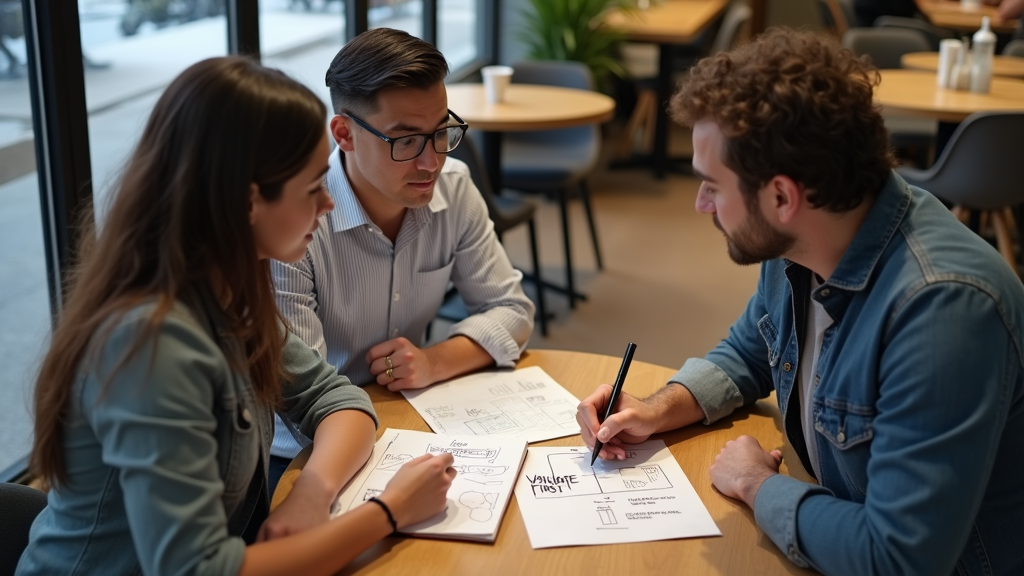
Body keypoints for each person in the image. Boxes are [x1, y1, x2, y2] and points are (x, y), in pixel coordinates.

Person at [576, 29, 1024, 576]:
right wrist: (655, 408)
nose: (699, 204)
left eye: (712, 186)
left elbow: (898, 559)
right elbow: (752, 351)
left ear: (782, 197)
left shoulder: (943, 310)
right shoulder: (801, 239)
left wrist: (757, 484)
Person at [18, 57, 457, 576]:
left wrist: (311, 494)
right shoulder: (151, 345)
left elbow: (335, 397)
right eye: (312, 187)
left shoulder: (227, 294)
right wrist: (387, 512)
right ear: (249, 201)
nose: (328, 204)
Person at [268, 28, 535, 486]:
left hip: (408, 425)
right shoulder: (296, 222)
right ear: (345, 134)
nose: (431, 162)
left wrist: (434, 361)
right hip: (306, 454)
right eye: (406, 141)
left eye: (440, 134)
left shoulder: (453, 186)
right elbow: (302, 399)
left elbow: (511, 309)